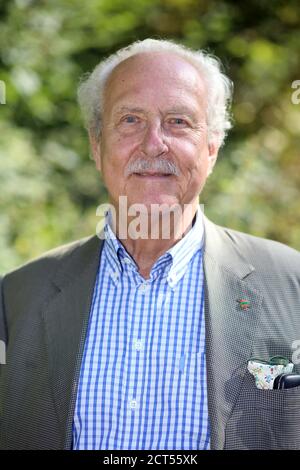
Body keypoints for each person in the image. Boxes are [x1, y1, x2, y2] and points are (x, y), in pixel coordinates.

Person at [0, 38, 299, 451]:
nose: (154, 143)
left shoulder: (292, 285)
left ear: (211, 147)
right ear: (96, 144)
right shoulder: (16, 297)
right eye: (130, 120)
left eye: (178, 121)